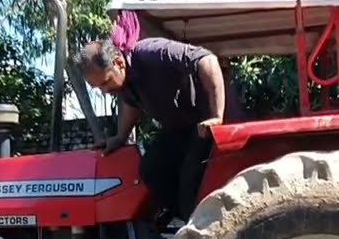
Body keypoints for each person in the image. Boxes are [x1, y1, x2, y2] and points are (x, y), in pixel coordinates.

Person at [74, 35, 230, 227]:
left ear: (118, 62)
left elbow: (207, 60)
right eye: (98, 87)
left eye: (105, 82)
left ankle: (199, 226)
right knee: (151, 168)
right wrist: (120, 137)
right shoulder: (125, 83)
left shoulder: (152, 53)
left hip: (208, 126)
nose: (104, 91)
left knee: (190, 184)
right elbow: (132, 105)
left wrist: (216, 116)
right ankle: (178, 217)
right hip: (180, 129)